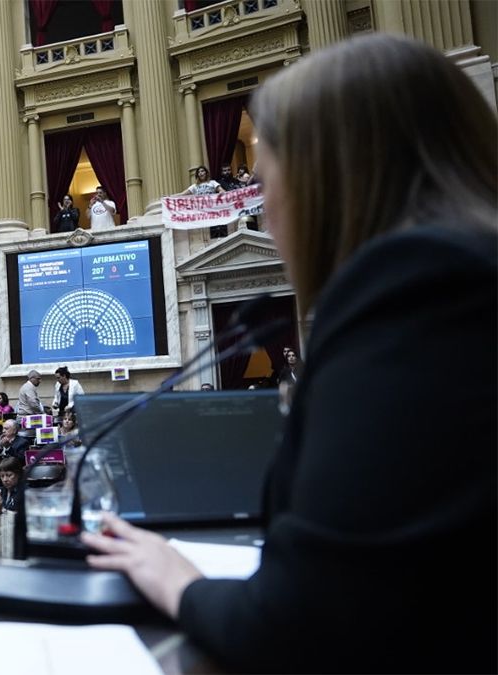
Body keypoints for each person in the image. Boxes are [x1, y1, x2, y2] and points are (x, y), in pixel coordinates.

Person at [82, 34, 496, 673]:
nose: (268, 219)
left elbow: (300, 628)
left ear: (326, 185)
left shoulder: (420, 295)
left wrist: (178, 580)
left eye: (268, 181)